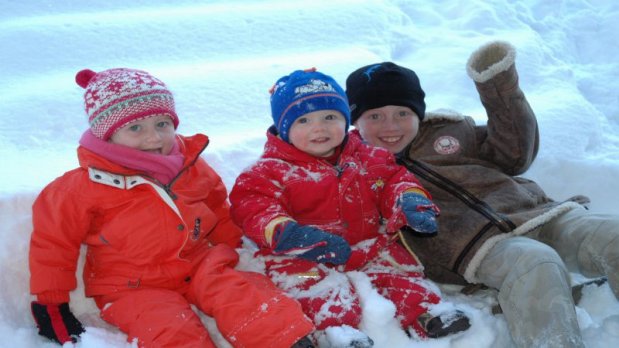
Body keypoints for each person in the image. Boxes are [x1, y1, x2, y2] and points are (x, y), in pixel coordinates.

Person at [345, 41, 619, 348]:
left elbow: (514, 156)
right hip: (475, 248)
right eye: (375, 116)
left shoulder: (451, 129)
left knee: (612, 235)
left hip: (539, 214)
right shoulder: (354, 169)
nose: (391, 126)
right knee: (536, 262)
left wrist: (498, 86)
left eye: (402, 112)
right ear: (355, 120)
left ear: (419, 112)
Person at [28, 67, 316, 347]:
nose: (153, 138)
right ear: (107, 133)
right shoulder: (82, 187)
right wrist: (51, 302)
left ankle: (288, 341)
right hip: (132, 286)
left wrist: (236, 246)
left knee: (247, 298)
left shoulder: (188, 164)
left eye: (162, 124)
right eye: (136, 128)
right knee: (170, 331)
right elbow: (53, 243)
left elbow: (216, 206)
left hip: (200, 263)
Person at [229, 68, 470, 346]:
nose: (319, 128)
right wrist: (288, 235)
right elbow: (254, 207)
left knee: (398, 272)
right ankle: (337, 331)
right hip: (303, 257)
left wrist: (410, 200)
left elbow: (395, 180)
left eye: (330, 117)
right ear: (284, 128)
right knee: (312, 287)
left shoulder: (368, 156)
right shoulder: (268, 171)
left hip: (367, 248)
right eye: (304, 120)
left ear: (345, 119)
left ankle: (428, 312)